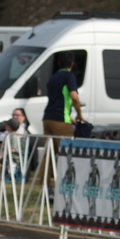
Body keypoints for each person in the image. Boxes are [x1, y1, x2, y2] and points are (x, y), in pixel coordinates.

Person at [39, 51, 84, 187]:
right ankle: (67, 184)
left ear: (58, 63)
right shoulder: (69, 77)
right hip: (60, 120)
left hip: (48, 117)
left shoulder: (52, 78)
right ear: (72, 64)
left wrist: (69, 117)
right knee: (67, 152)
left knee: (49, 153)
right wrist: (79, 114)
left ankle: (44, 184)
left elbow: (57, 100)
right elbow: (74, 97)